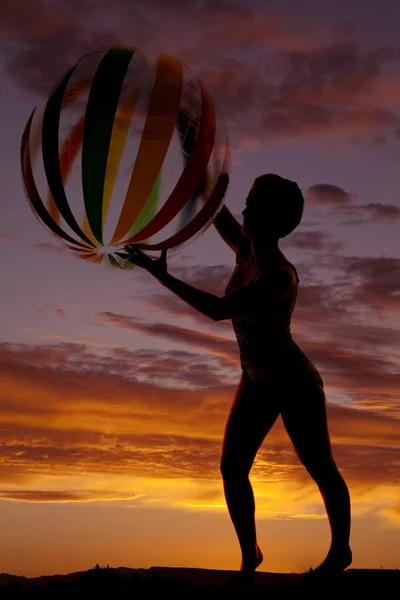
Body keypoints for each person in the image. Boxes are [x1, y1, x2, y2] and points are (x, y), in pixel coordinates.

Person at [124, 172, 352, 578]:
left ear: (274, 218)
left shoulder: (279, 275)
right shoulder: (245, 250)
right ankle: (251, 555)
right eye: (245, 201)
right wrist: (194, 156)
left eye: (254, 203)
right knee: (232, 469)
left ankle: (340, 552)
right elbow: (213, 207)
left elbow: (219, 310)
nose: (244, 209)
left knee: (319, 467)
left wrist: (161, 275)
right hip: (256, 378)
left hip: (294, 383)